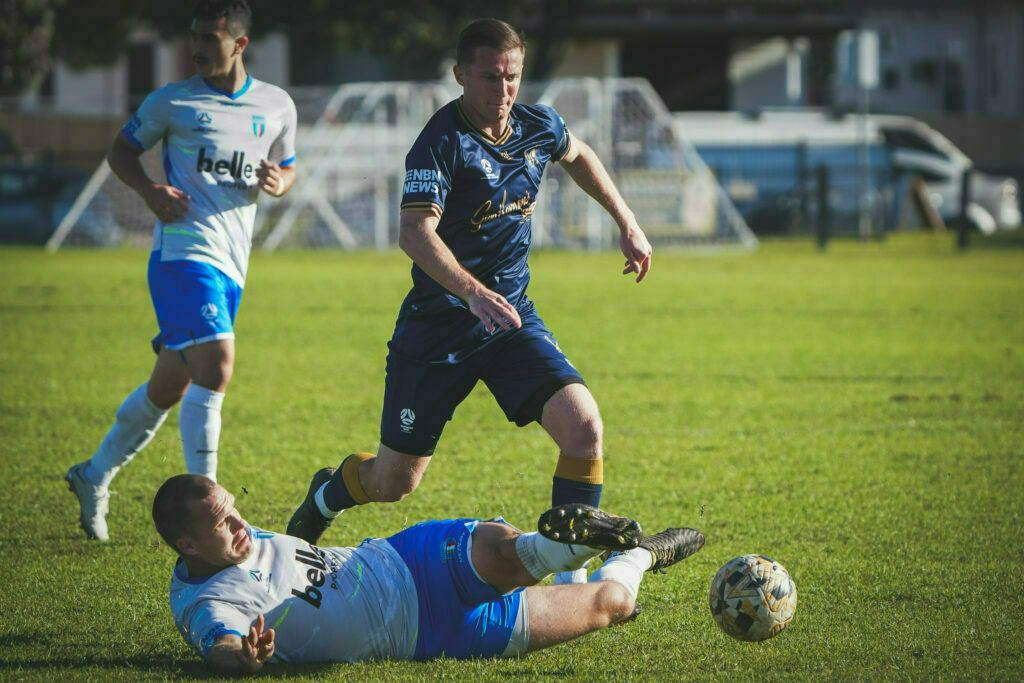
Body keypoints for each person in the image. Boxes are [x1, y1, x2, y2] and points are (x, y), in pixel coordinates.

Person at [287, 18, 653, 586]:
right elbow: (414, 233)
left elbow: (578, 155)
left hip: (509, 319)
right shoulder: (440, 142)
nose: (502, 92)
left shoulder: (537, 126)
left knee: (584, 429)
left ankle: (568, 578)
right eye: (489, 78)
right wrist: (473, 292)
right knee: (393, 483)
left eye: (512, 78)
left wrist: (627, 223)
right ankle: (328, 493)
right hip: (437, 332)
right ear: (460, 75)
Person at [66, 0, 297, 541]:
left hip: (233, 263)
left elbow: (287, 167)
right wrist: (148, 191)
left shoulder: (277, 104)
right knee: (216, 365)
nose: (195, 49)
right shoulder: (171, 101)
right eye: (193, 37)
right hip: (182, 254)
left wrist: (278, 181)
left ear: (239, 44)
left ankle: (93, 474)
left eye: (209, 40)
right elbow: (122, 151)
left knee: (169, 386)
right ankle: (209, 505)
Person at [156, 474, 704, 674]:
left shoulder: (235, 541)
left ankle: (560, 547)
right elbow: (220, 646)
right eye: (222, 521)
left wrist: (317, 513)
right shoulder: (209, 604)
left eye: (234, 507)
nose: (240, 521)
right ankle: (640, 556)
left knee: (500, 548)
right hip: (432, 635)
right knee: (612, 604)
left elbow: (292, 559)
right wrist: (242, 659)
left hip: (404, 560)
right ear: (188, 545)